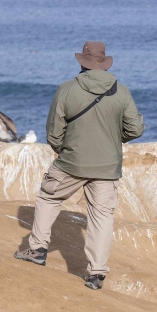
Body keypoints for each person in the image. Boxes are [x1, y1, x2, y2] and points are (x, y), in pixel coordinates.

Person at [14, 41, 145, 290]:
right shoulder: (122, 91)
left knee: (49, 198)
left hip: (71, 162)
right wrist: (115, 140)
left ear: (82, 61)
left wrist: (64, 149)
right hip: (107, 167)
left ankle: (38, 249)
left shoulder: (67, 89)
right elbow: (135, 128)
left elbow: (54, 131)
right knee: (102, 216)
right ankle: (96, 273)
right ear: (104, 63)